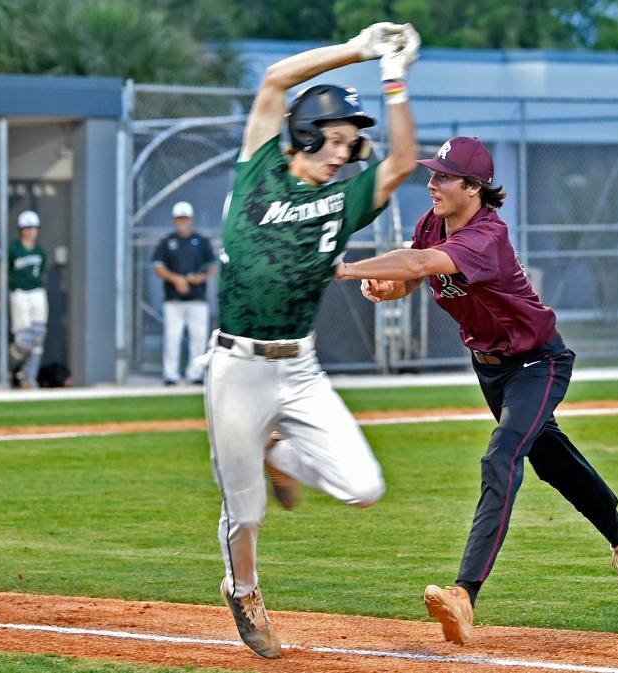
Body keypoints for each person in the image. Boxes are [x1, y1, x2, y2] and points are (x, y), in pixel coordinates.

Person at [334, 136, 618, 646]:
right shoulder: (433, 224)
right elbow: (414, 276)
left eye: (443, 176)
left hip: (538, 362)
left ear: (474, 186)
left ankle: (464, 595)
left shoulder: (487, 236)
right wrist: (385, 287)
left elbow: (418, 265)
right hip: (491, 368)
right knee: (551, 460)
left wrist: (345, 267)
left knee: (501, 456)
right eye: (432, 173)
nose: (432, 182)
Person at [206, 22, 419, 659]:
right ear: (301, 135)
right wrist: (359, 47)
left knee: (365, 487)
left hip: (299, 367)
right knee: (244, 515)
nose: (345, 154)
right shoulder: (258, 167)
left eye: (352, 145)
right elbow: (275, 80)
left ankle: (277, 456)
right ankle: (242, 590)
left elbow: (404, 162)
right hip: (236, 367)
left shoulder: (344, 199)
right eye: (335, 140)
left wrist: (394, 75)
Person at [152, 201, 216, 385]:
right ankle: (170, 374)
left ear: (191, 219)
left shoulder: (201, 241)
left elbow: (211, 266)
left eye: (185, 218)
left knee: (198, 338)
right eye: (179, 218)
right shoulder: (167, 242)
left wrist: (200, 278)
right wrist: (176, 279)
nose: (183, 222)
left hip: (197, 298)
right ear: (174, 220)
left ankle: (195, 374)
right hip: (174, 299)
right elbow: (158, 266)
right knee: (172, 337)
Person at [8, 210, 48, 389]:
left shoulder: (40, 251)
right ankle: (8, 369)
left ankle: (28, 377)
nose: (31, 231)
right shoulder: (14, 249)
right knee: (24, 340)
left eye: (34, 228)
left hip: (37, 292)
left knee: (38, 336)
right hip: (19, 293)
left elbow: (42, 272)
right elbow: (3, 272)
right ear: (21, 230)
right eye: (27, 228)